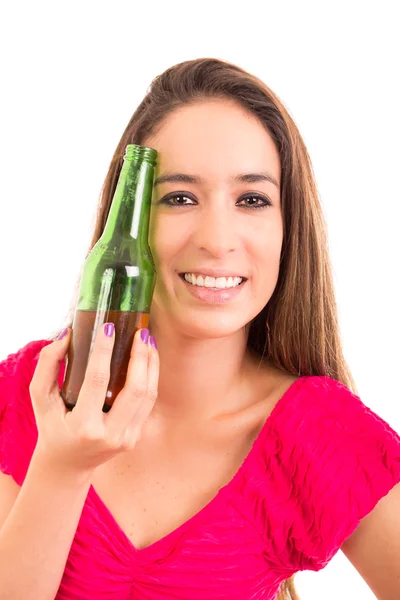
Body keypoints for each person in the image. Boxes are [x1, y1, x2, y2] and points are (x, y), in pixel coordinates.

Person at [0, 58, 399, 600]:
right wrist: (62, 467)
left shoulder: (319, 436)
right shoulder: (31, 392)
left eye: (252, 200)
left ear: (289, 227)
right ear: (129, 218)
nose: (217, 238)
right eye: (180, 198)